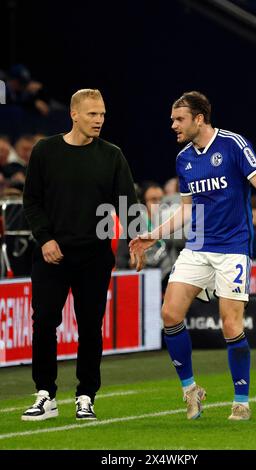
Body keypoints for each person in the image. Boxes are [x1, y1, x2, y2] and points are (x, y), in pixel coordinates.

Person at [130, 91, 256, 421]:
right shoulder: (184, 159)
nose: (173, 125)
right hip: (198, 247)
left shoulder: (233, 144)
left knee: (231, 324)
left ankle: (241, 399)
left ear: (199, 118)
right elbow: (186, 211)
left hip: (232, 249)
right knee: (170, 314)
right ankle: (191, 391)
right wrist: (152, 234)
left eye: (179, 119)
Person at [22, 88, 142, 421]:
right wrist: (45, 239)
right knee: (44, 323)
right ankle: (45, 394)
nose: (99, 120)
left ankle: (86, 395)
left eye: (102, 114)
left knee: (91, 327)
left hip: (94, 258)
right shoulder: (45, 151)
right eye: (92, 114)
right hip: (51, 256)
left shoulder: (112, 155)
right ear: (74, 113)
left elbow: (128, 205)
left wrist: (139, 239)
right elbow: (31, 201)